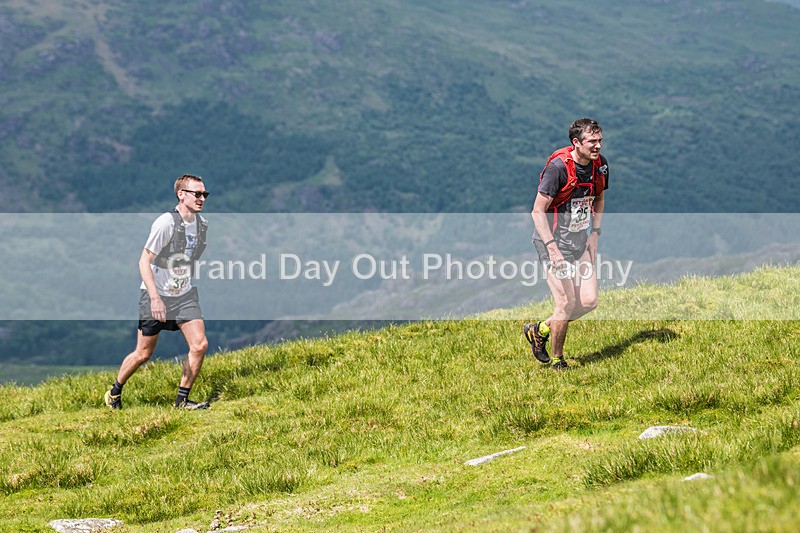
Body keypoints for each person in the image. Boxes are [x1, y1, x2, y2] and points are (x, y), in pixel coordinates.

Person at [104, 174, 211, 409]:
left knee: (200, 344)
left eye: (205, 194)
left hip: (184, 295)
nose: (202, 198)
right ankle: (115, 391)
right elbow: (144, 260)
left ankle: (182, 400)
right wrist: (155, 298)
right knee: (143, 354)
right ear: (181, 195)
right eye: (197, 194)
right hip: (157, 295)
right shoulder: (166, 223)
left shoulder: (202, 225)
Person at [524, 118, 608, 370]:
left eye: (600, 140)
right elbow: (537, 211)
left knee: (590, 301)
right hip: (553, 243)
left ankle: (539, 329)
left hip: (580, 241)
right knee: (566, 303)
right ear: (576, 142)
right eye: (592, 141)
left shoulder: (600, 166)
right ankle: (558, 360)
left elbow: (600, 198)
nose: (598, 146)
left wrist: (595, 233)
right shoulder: (558, 169)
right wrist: (552, 249)